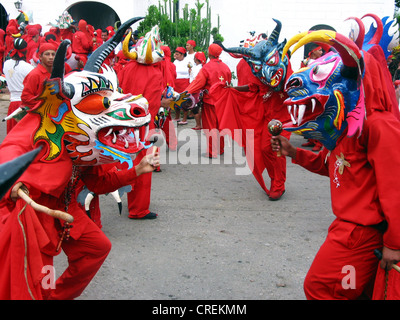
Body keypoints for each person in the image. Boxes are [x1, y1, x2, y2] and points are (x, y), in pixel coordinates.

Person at [272, 27, 400, 300]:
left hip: (363, 236)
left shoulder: (380, 125)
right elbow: (335, 166)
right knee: (354, 292)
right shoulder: (348, 125)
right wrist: (293, 153)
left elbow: (396, 189)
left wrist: (394, 244)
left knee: (320, 288)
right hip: (346, 229)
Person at [118, 25, 175, 219]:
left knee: (130, 163)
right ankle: (138, 209)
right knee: (145, 165)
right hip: (143, 125)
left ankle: (130, 200)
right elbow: (152, 103)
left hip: (124, 123)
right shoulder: (154, 73)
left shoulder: (127, 68)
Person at [185, 43, 232, 158]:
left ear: (209, 53)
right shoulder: (226, 67)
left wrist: (185, 93)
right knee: (220, 125)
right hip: (223, 101)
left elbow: (198, 83)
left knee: (210, 126)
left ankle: (212, 152)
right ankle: (220, 149)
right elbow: (228, 82)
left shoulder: (206, 67)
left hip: (210, 101)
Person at [3, 38, 34, 133]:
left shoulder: (6, 64)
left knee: (13, 135)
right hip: (25, 104)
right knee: (25, 135)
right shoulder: (28, 67)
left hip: (13, 104)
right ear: (25, 50)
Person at [21, 43, 57, 109]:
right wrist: (43, 104)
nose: (51, 57)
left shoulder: (56, 73)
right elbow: (26, 97)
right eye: (47, 54)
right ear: (40, 56)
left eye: (53, 54)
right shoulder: (35, 74)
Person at [189, 51, 206, 130]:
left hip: (196, 90)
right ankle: (199, 124)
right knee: (197, 107)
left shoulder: (199, 68)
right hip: (198, 89)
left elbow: (195, 79)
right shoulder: (200, 67)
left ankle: (199, 125)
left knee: (196, 107)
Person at [173, 46, 190, 123]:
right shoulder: (175, 62)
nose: (175, 56)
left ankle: (184, 118)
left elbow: (191, 72)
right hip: (176, 82)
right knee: (176, 99)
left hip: (184, 82)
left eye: (177, 54)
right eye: (175, 54)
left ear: (182, 55)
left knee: (183, 101)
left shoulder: (188, 62)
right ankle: (177, 117)